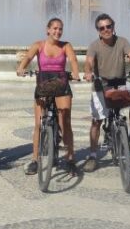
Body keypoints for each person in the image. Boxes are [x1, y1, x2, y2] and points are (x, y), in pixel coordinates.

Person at [16, 17, 81, 176]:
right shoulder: (38, 45)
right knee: (38, 124)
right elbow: (27, 58)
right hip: (44, 84)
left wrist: (76, 73)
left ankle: (70, 159)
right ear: (48, 30)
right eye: (55, 28)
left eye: (60, 29)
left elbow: (73, 60)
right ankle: (35, 160)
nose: (58, 31)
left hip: (61, 84)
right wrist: (21, 68)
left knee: (65, 122)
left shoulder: (66, 46)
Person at [83, 13, 130, 172]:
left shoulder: (122, 41)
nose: (106, 30)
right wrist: (88, 72)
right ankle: (92, 155)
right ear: (98, 30)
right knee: (96, 121)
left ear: (113, 26)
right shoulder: (94, 45)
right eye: (102, 28)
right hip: (101, 85)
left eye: (108, 26)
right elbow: (89, 62)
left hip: (119, 84)